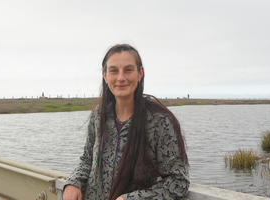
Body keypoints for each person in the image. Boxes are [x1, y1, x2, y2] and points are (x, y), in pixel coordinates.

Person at [63, 44, 189, 200]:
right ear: (105, 75)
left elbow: (178, 182)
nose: (121, 78)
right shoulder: (99, 115)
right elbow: (87, 160)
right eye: (114, 70)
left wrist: (131, 199)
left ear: (140, 73)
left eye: (128, 70)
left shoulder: (160, 121)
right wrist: (73, 183)